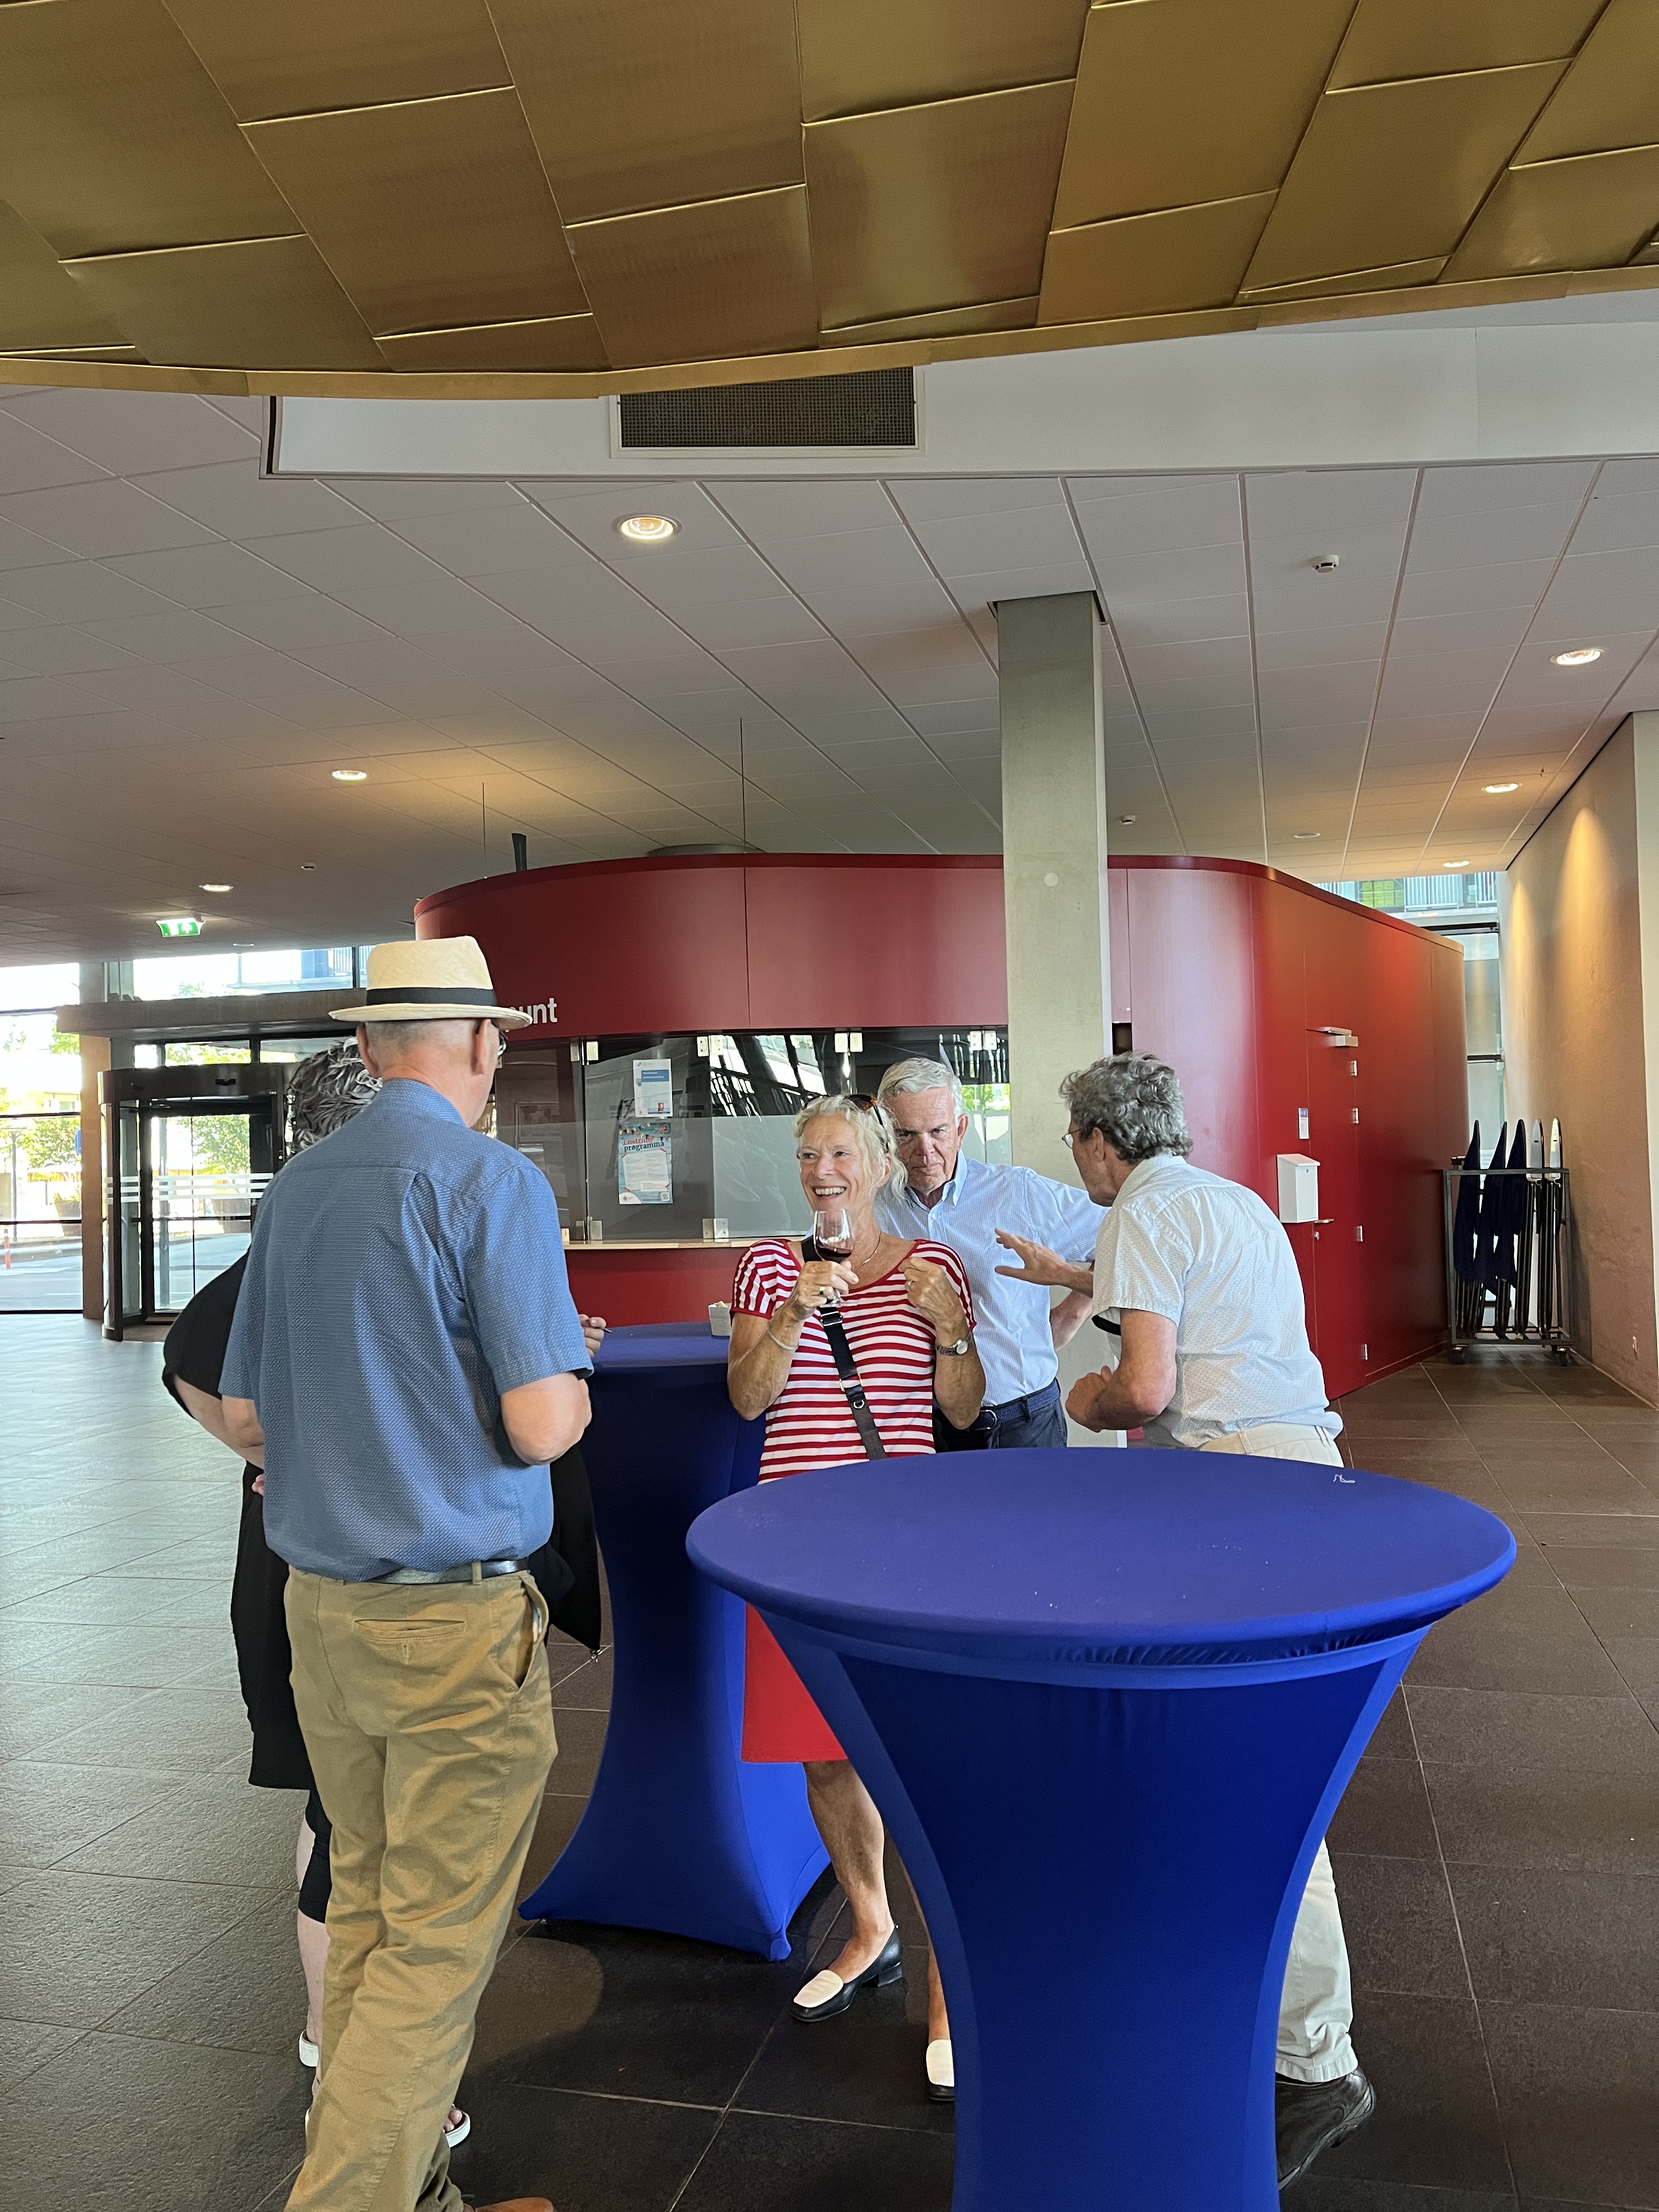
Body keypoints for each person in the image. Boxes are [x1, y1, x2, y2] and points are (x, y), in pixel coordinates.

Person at [220, 935, 593, 2212]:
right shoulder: (493, 1182)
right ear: (485, 1042)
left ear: (372, 1046)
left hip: (324, 1615)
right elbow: (541, 1423)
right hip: (455, 1622)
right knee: (433, 1952)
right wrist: (565, 1390)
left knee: (374, 1914)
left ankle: (415, 2190)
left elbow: (247, 1413)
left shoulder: (298, 1189)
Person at [999, 1051, 1374, 2191]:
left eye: (1075, 1141)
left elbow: (1145, 1388)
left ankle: (1318, 2064)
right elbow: (1189, 1300)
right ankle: (1273, 2025)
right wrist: (1076, 1271)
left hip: (1234, 1493)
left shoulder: (1141, 1214)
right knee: (1243, 1760)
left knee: (1258, 1773)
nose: (1076, 1158)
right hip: (1299, 1475)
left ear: (1098, 1141)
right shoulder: (1227, 1199)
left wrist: (1080, 1396)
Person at [726, 1093, 983, 2106]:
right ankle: (870, 1923)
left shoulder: (933, 1264)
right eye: (807, 1155)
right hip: (791, 1545)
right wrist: (796, 1308)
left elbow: (960, 1409)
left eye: (839, 1152)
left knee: (920, 1765)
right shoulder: (765, 1265)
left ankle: (949, 1982)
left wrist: (952, 1329)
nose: (822, 1170)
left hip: (898, 1552)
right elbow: (748, 1398)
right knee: (824, 1755)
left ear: (878, 1164)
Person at [873, 1056, 1103, 1448]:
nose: (925, 1151)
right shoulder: (872, 1208)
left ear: (961, 1129)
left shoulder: (1018, 1193)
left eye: (938, 1131)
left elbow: (1125, 1237)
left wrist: (1073, 1309)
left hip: (1023, 1424)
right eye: (906, 1134)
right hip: (919, 1429)